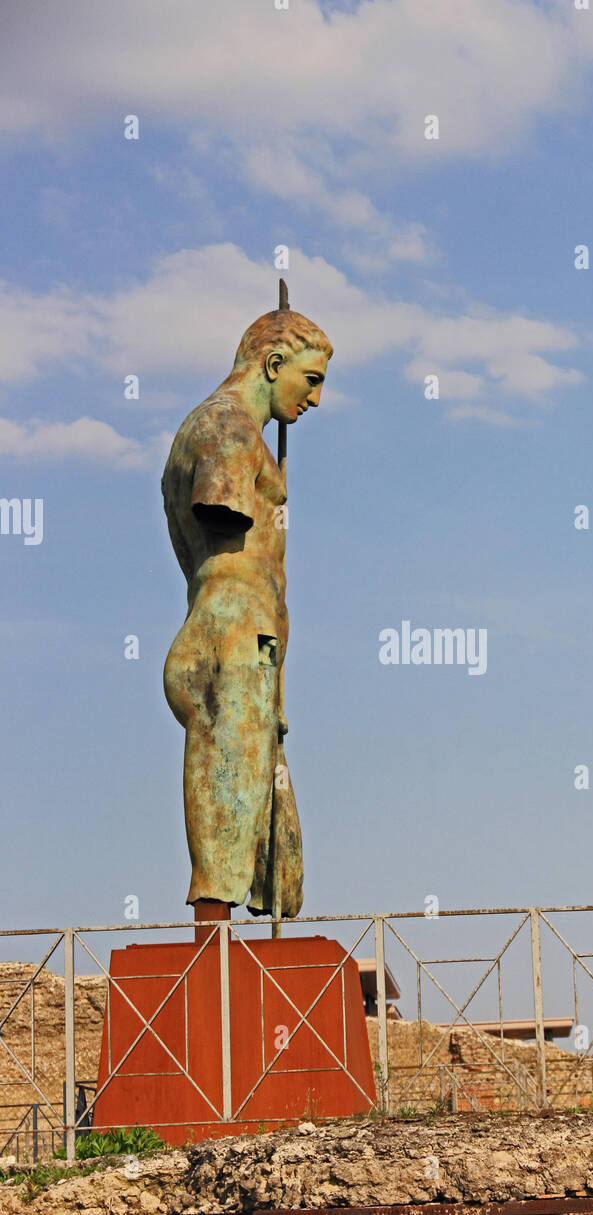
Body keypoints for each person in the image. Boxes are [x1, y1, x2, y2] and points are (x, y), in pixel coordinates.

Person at [161, 305, 332, 918]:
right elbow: (224, 522)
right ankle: (214, 967)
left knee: (262, 820)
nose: (315, 398)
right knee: (226, 843)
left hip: (242, 640)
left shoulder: (235, 434)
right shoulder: (227, 430)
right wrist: (262, 480)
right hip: (231, 639)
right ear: (273, 363)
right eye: (310, 380)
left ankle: (234, 964)